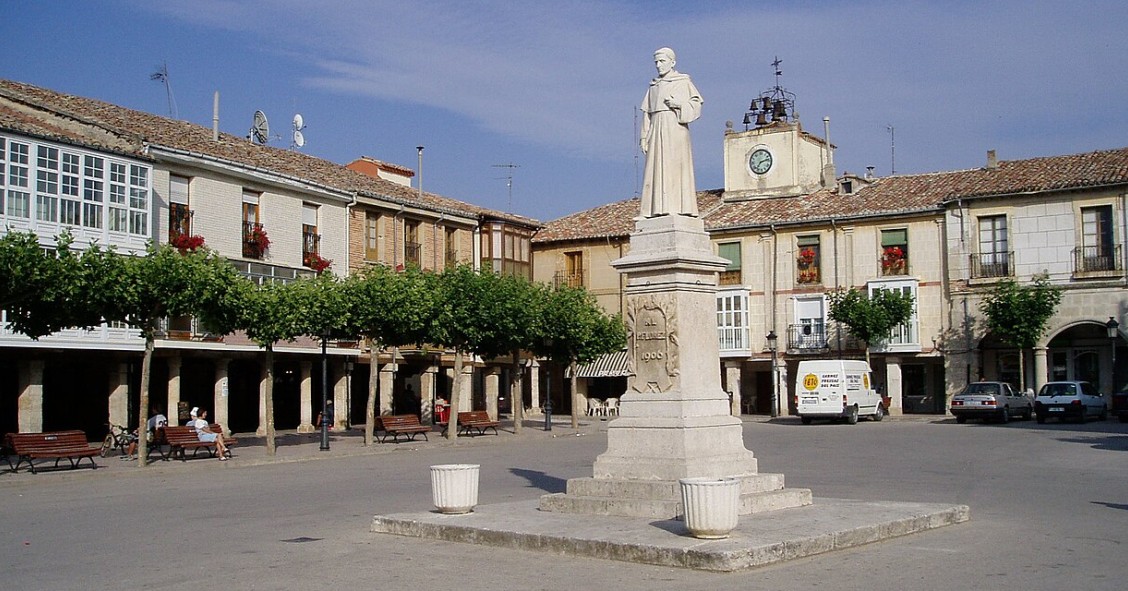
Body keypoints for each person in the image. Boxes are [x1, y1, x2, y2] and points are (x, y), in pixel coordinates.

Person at [639, 47, 703, 218]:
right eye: (656, 62)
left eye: (662, 61)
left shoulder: (683, 81)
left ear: (672, 62)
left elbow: (696, 105)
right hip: (656, 129)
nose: (659, 65)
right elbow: (647, 114)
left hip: (676, 128)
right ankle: (653, 210)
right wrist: (644, 137)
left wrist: (678, 104)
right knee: (654, 168)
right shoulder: (653, 86)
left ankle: (678, 208)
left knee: (675, 168)